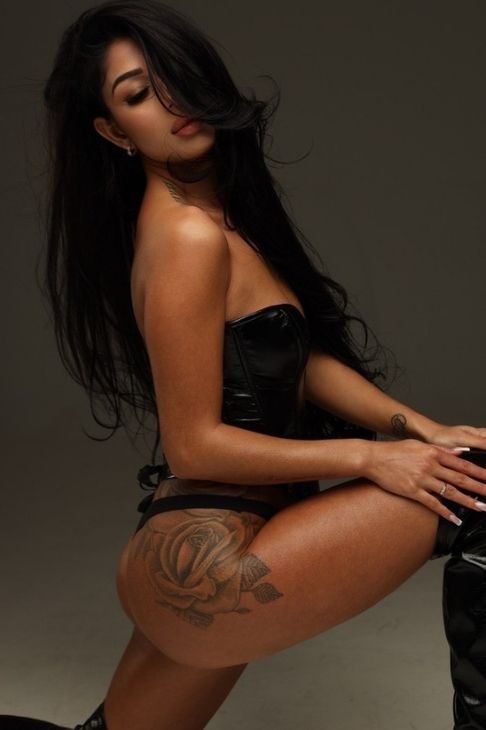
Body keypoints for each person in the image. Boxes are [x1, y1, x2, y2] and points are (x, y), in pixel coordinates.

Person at [3, 1, 486, 728]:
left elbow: (293, 359)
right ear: (114, 132)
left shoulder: (214, 221)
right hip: (216, 565)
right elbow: (192, 445)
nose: (170, 100)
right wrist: (372, 458)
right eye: (138, 95)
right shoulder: (187, 238)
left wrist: (419, 427)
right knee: (480, 492)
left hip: (202, 550)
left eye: (171, 75)